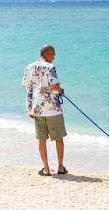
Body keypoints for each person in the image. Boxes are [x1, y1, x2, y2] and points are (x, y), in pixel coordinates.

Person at [21, 44, 68, 176]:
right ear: (47, 54)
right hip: (53, 108)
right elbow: (54, 85)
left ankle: (46, 168)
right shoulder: (50, 67)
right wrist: (61, 91)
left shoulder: (28, 67)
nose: (54, 58)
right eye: (53, 55)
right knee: (58, 137)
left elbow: (28, 89)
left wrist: (29, 109)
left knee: (42, 139)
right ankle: (60, 167)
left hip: (37, 108)